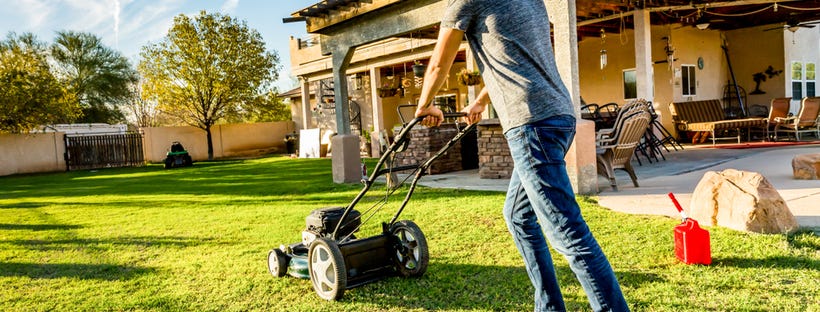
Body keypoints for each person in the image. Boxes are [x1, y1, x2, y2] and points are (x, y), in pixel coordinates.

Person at [414, 1, 629, 311]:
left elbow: (438, 63)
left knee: (567, 232)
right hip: (559, 115)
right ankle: (549, 306)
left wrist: (424, 105)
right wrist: (479, 101)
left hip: (532, 125)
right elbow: (518, 57)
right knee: (518, 216)